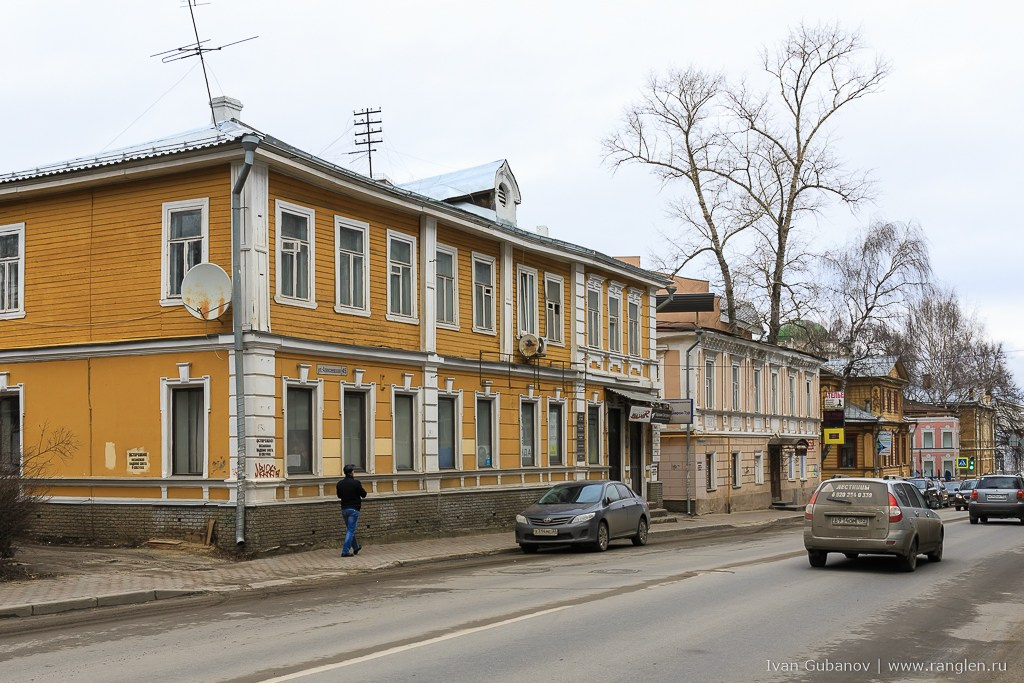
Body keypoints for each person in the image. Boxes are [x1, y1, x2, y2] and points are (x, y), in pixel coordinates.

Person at [336, 463, 367, 557]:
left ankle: (356, 547)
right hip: (354, 509)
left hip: (344, 509)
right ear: (351, 472)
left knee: (350, 529)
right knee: (350, 530)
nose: (354, 472)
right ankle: (345, 551)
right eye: (353, 470)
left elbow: (339, 496)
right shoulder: (356, 483)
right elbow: (364, 494)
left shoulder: (340, 484)